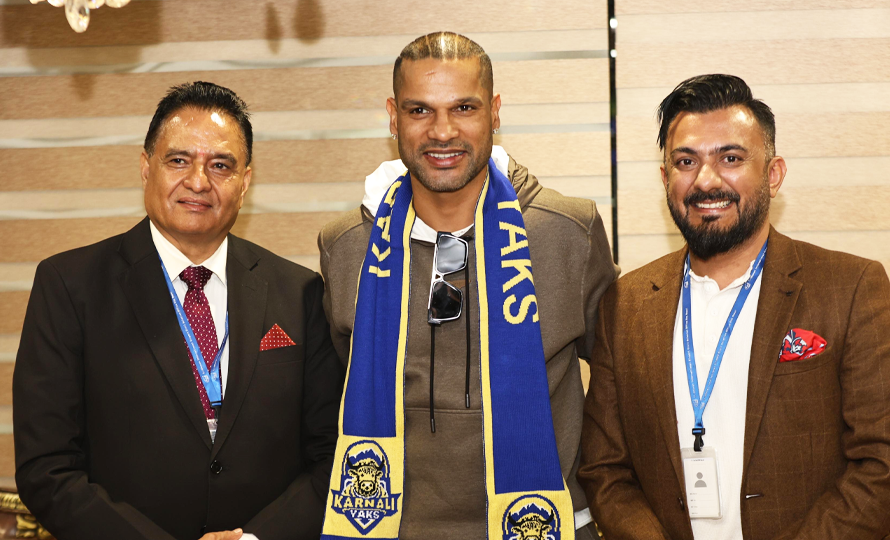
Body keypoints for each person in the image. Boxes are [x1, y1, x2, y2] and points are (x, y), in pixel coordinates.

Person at [316, 32, 618, 540]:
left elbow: (618, 393)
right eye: (419, 110)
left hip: (544, 524)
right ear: (393, 117)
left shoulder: (570, 232)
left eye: (464, 108)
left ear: (494, 112)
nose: (442, 131)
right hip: (386, 528)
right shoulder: (346, 246)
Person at [13, 81, 345, 540]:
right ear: (146, 167)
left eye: (221, 165)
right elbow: (46, 467)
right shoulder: (69, 286)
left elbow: (333, 454)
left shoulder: (300, 291)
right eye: (178, 160)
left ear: (245, 182)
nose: (199, 182)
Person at [578, 74, 890, 540]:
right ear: (666, 179)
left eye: (730, 158)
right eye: (686, 161)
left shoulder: (851, 288)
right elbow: (605, 470)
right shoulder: (624, 305)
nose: (706, 180)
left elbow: (880, 463)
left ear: (773, 174)